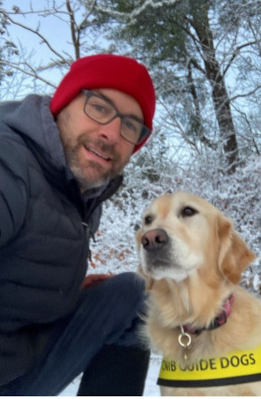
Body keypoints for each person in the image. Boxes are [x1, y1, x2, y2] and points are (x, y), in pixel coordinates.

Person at [0, 54, 156, 395]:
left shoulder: (79, 191)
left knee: (130, 294)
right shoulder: (9, 160)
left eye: (130, 125)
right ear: (63, 103)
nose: (112, 133)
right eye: (99, 107)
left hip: (22, 360)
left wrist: (65, 290)